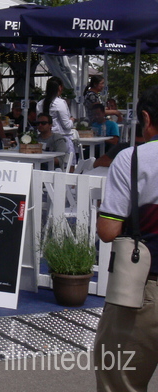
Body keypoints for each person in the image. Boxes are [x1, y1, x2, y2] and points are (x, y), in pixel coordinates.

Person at [93, 85, 158, 391]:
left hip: (143, 290)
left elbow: (108, 231)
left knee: (120, 381)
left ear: (145, 118)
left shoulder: (132, 160)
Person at [36, 76, 74, 165]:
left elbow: (39, 122)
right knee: (67, 165)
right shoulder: (60, 103)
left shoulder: (39, 103)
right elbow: (67, 125)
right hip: (61, 139)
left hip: (43, 138)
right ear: (60, 87)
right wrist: (72, 120)